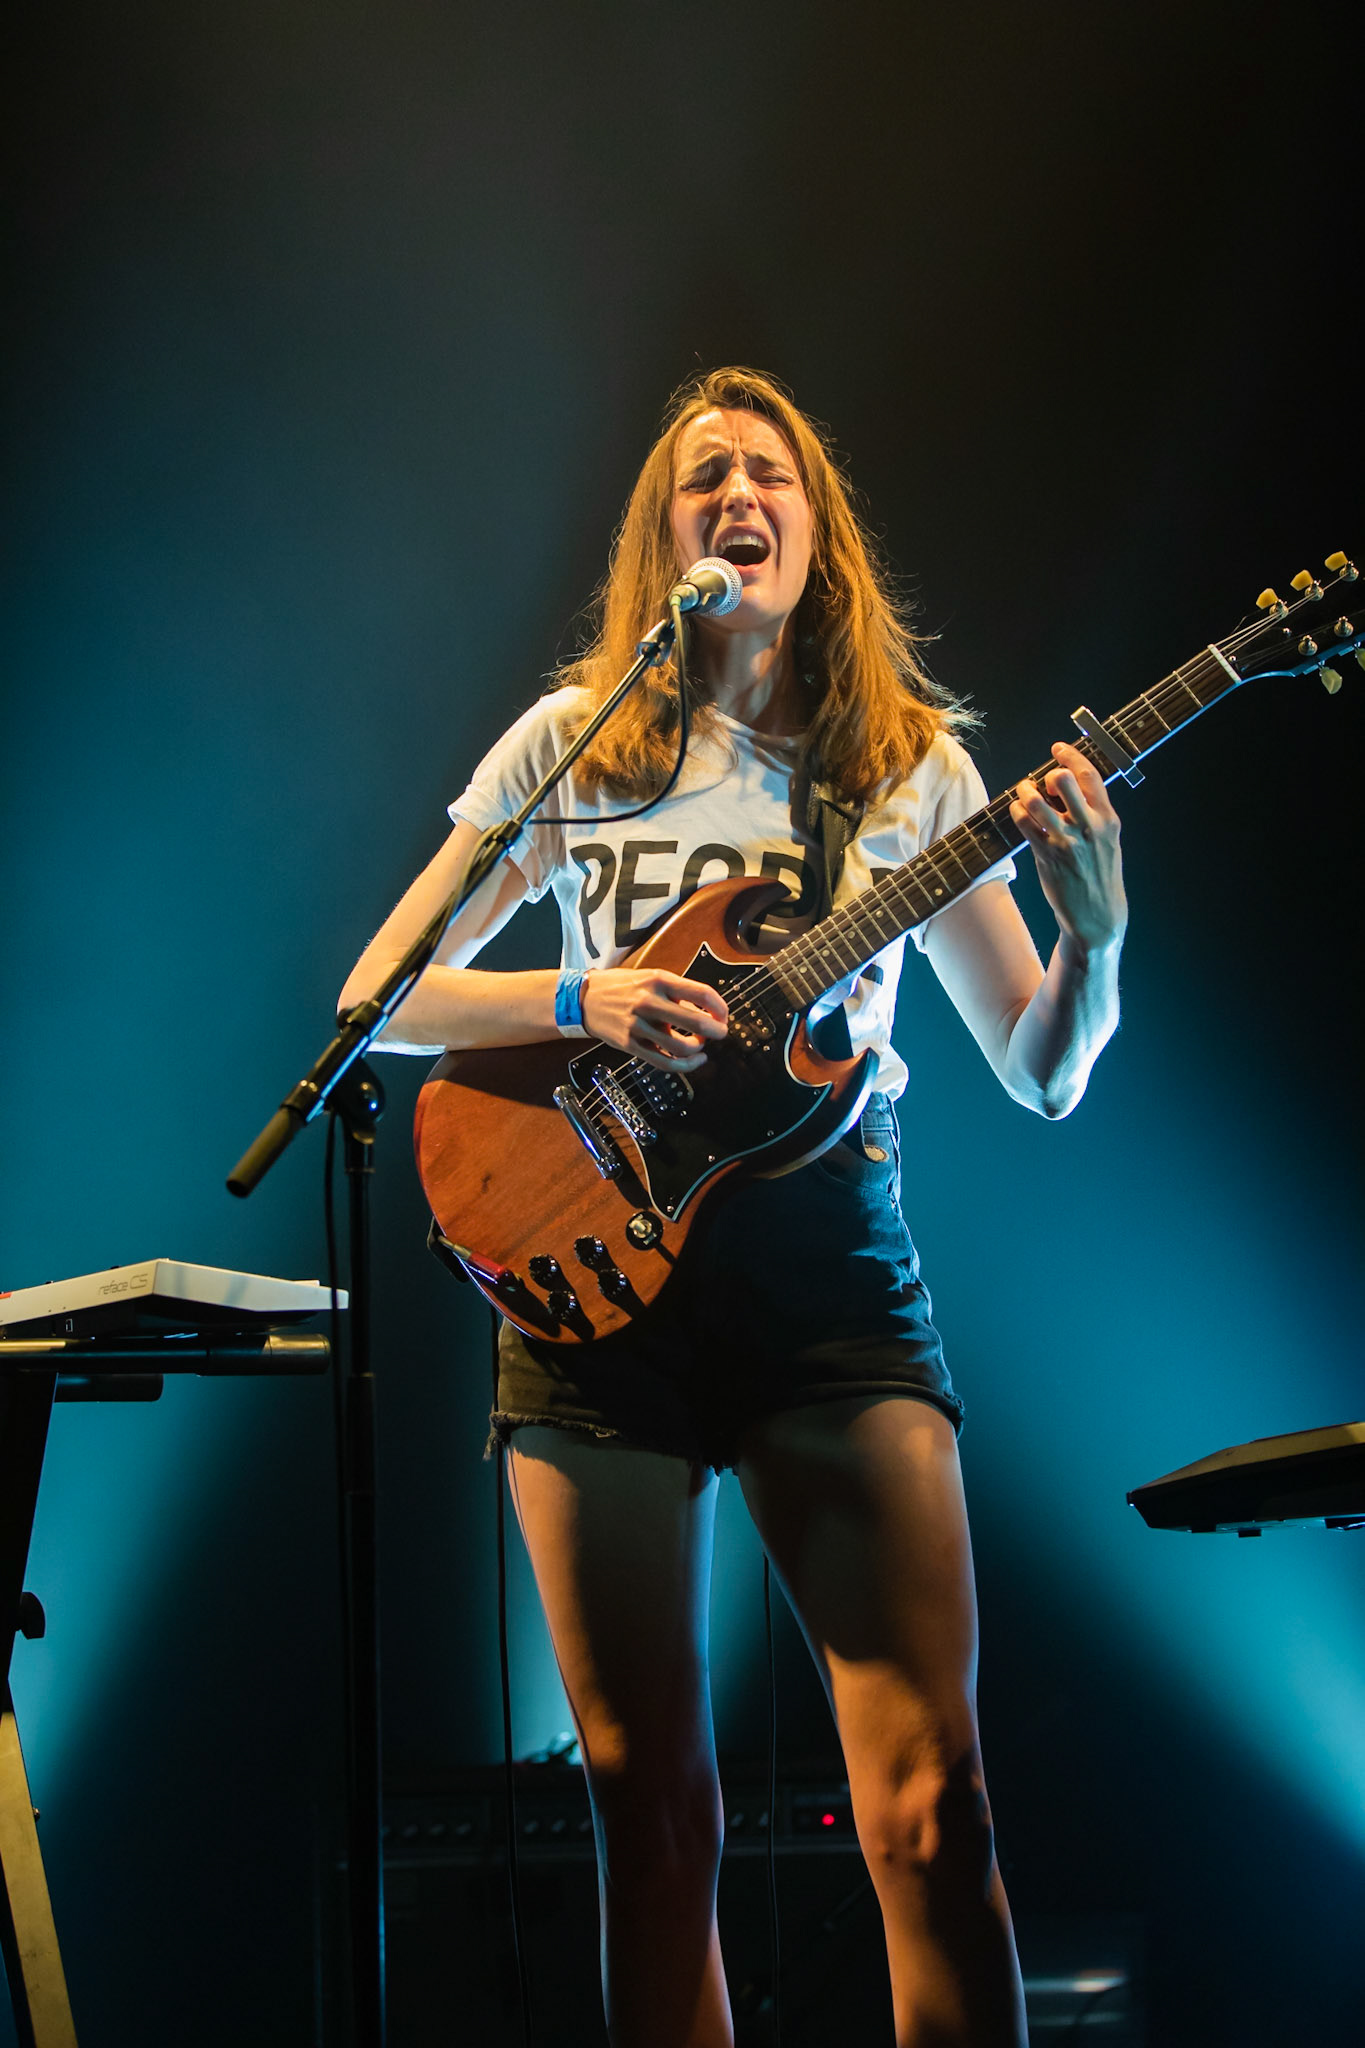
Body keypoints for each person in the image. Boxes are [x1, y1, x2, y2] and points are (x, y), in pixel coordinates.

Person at [340, 367, 1127, 2048]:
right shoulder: (573, 742)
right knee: (649, 1816)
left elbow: (1043, 1069)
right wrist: (584, 1001)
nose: (735, 497)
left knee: (932, 1804)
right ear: (662, 539)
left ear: (813, 529)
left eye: (765, 473)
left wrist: (1099, 936)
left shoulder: (906, 766)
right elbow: (379, 999)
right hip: (588, 1274)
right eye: (701, 480)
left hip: (826, 1280)